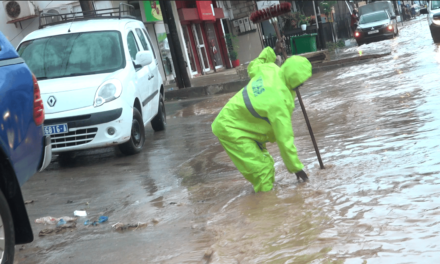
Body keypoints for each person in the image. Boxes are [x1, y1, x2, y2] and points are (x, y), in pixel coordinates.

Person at [211, 47, 311, 193]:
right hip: (232, 128)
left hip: (245, 126)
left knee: (266, 162)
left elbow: (253, 66)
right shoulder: (280, 102)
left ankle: (264, 202)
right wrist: (296, 168)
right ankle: (266, 210)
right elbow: (284, 140)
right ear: (299, 82)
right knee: (263, 171)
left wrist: (270, 53)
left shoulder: (270, 69)